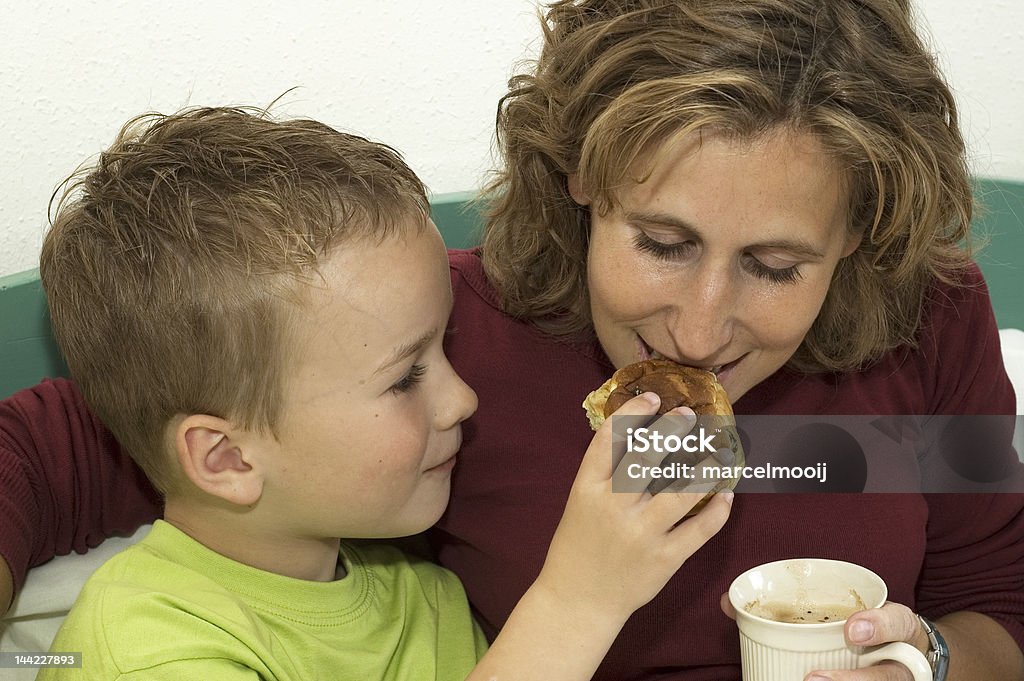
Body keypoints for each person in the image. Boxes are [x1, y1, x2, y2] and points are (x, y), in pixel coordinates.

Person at [0, 0, 1022, 679]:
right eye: (661, 242)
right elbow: (58, 453)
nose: (701, 327)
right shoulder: (435, 346)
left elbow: (997, 609)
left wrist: (921, 657)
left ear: (857, 239)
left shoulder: (920, 327)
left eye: (775, 266)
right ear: (580, 173)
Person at [25, 106, 731, 680]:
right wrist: (577, 601)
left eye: (446, 346)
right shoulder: (149, 648)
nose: (463, 400)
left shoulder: (423, 594)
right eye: (404, 377)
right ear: (226, 459)